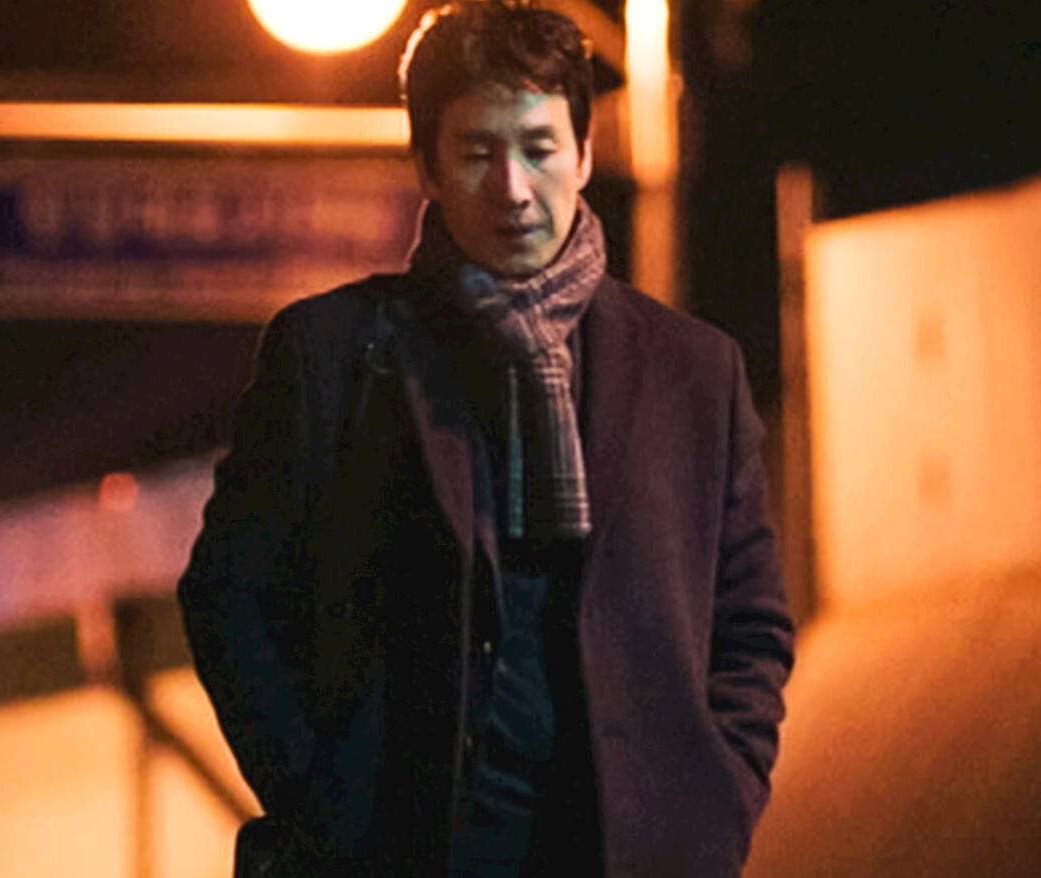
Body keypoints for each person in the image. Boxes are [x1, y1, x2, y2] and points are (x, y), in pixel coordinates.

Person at [176, 2, 795, 876]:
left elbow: (750, 623)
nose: (512, 188)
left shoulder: (693, 372)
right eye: (477, 153)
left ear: (584, 154)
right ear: (427, 164)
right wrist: (321, 796)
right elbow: (229, 592)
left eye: (539, 148)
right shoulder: (333, 356)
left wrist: (716, 803)